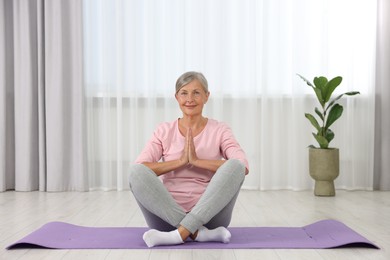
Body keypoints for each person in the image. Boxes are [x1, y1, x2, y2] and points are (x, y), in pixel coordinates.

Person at [128, 71, 249, 247]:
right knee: (135, 171)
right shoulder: (164, 130)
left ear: (207, 96)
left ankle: (178, 235)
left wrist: (197, 161)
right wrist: (179, 162)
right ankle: (197, 233)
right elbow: (141, 167)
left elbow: (243, 166)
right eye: (184, 93)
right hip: (166, 218)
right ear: (176, 97)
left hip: (210, 216)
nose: (190, 99)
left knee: (235, 166)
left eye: (196, 92)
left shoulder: (220, 129)